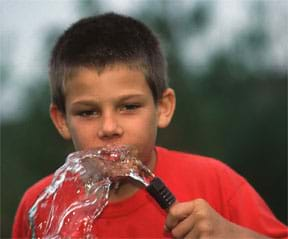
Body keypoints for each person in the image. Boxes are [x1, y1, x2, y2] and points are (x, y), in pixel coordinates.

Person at [12, 12, 287, 239]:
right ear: (61, 120)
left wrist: (233, 235)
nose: (109, 127)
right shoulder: (40, 206)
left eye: (129, 107)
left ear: (163, 108)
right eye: (88, 112)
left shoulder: (216, 185)